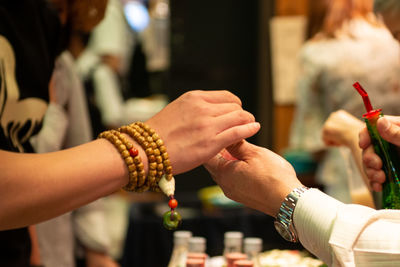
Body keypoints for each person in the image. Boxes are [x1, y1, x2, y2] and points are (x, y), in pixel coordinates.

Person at [0, 0, 260, 265]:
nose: (59, 21)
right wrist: (145, 144)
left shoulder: (53, 58)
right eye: (55, 9)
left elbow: (21, 153)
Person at [288, 0, 400, 203]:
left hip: (346, 176)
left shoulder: (316, 52)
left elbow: (310, 141)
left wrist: (348, 133)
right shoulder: (392, 39)